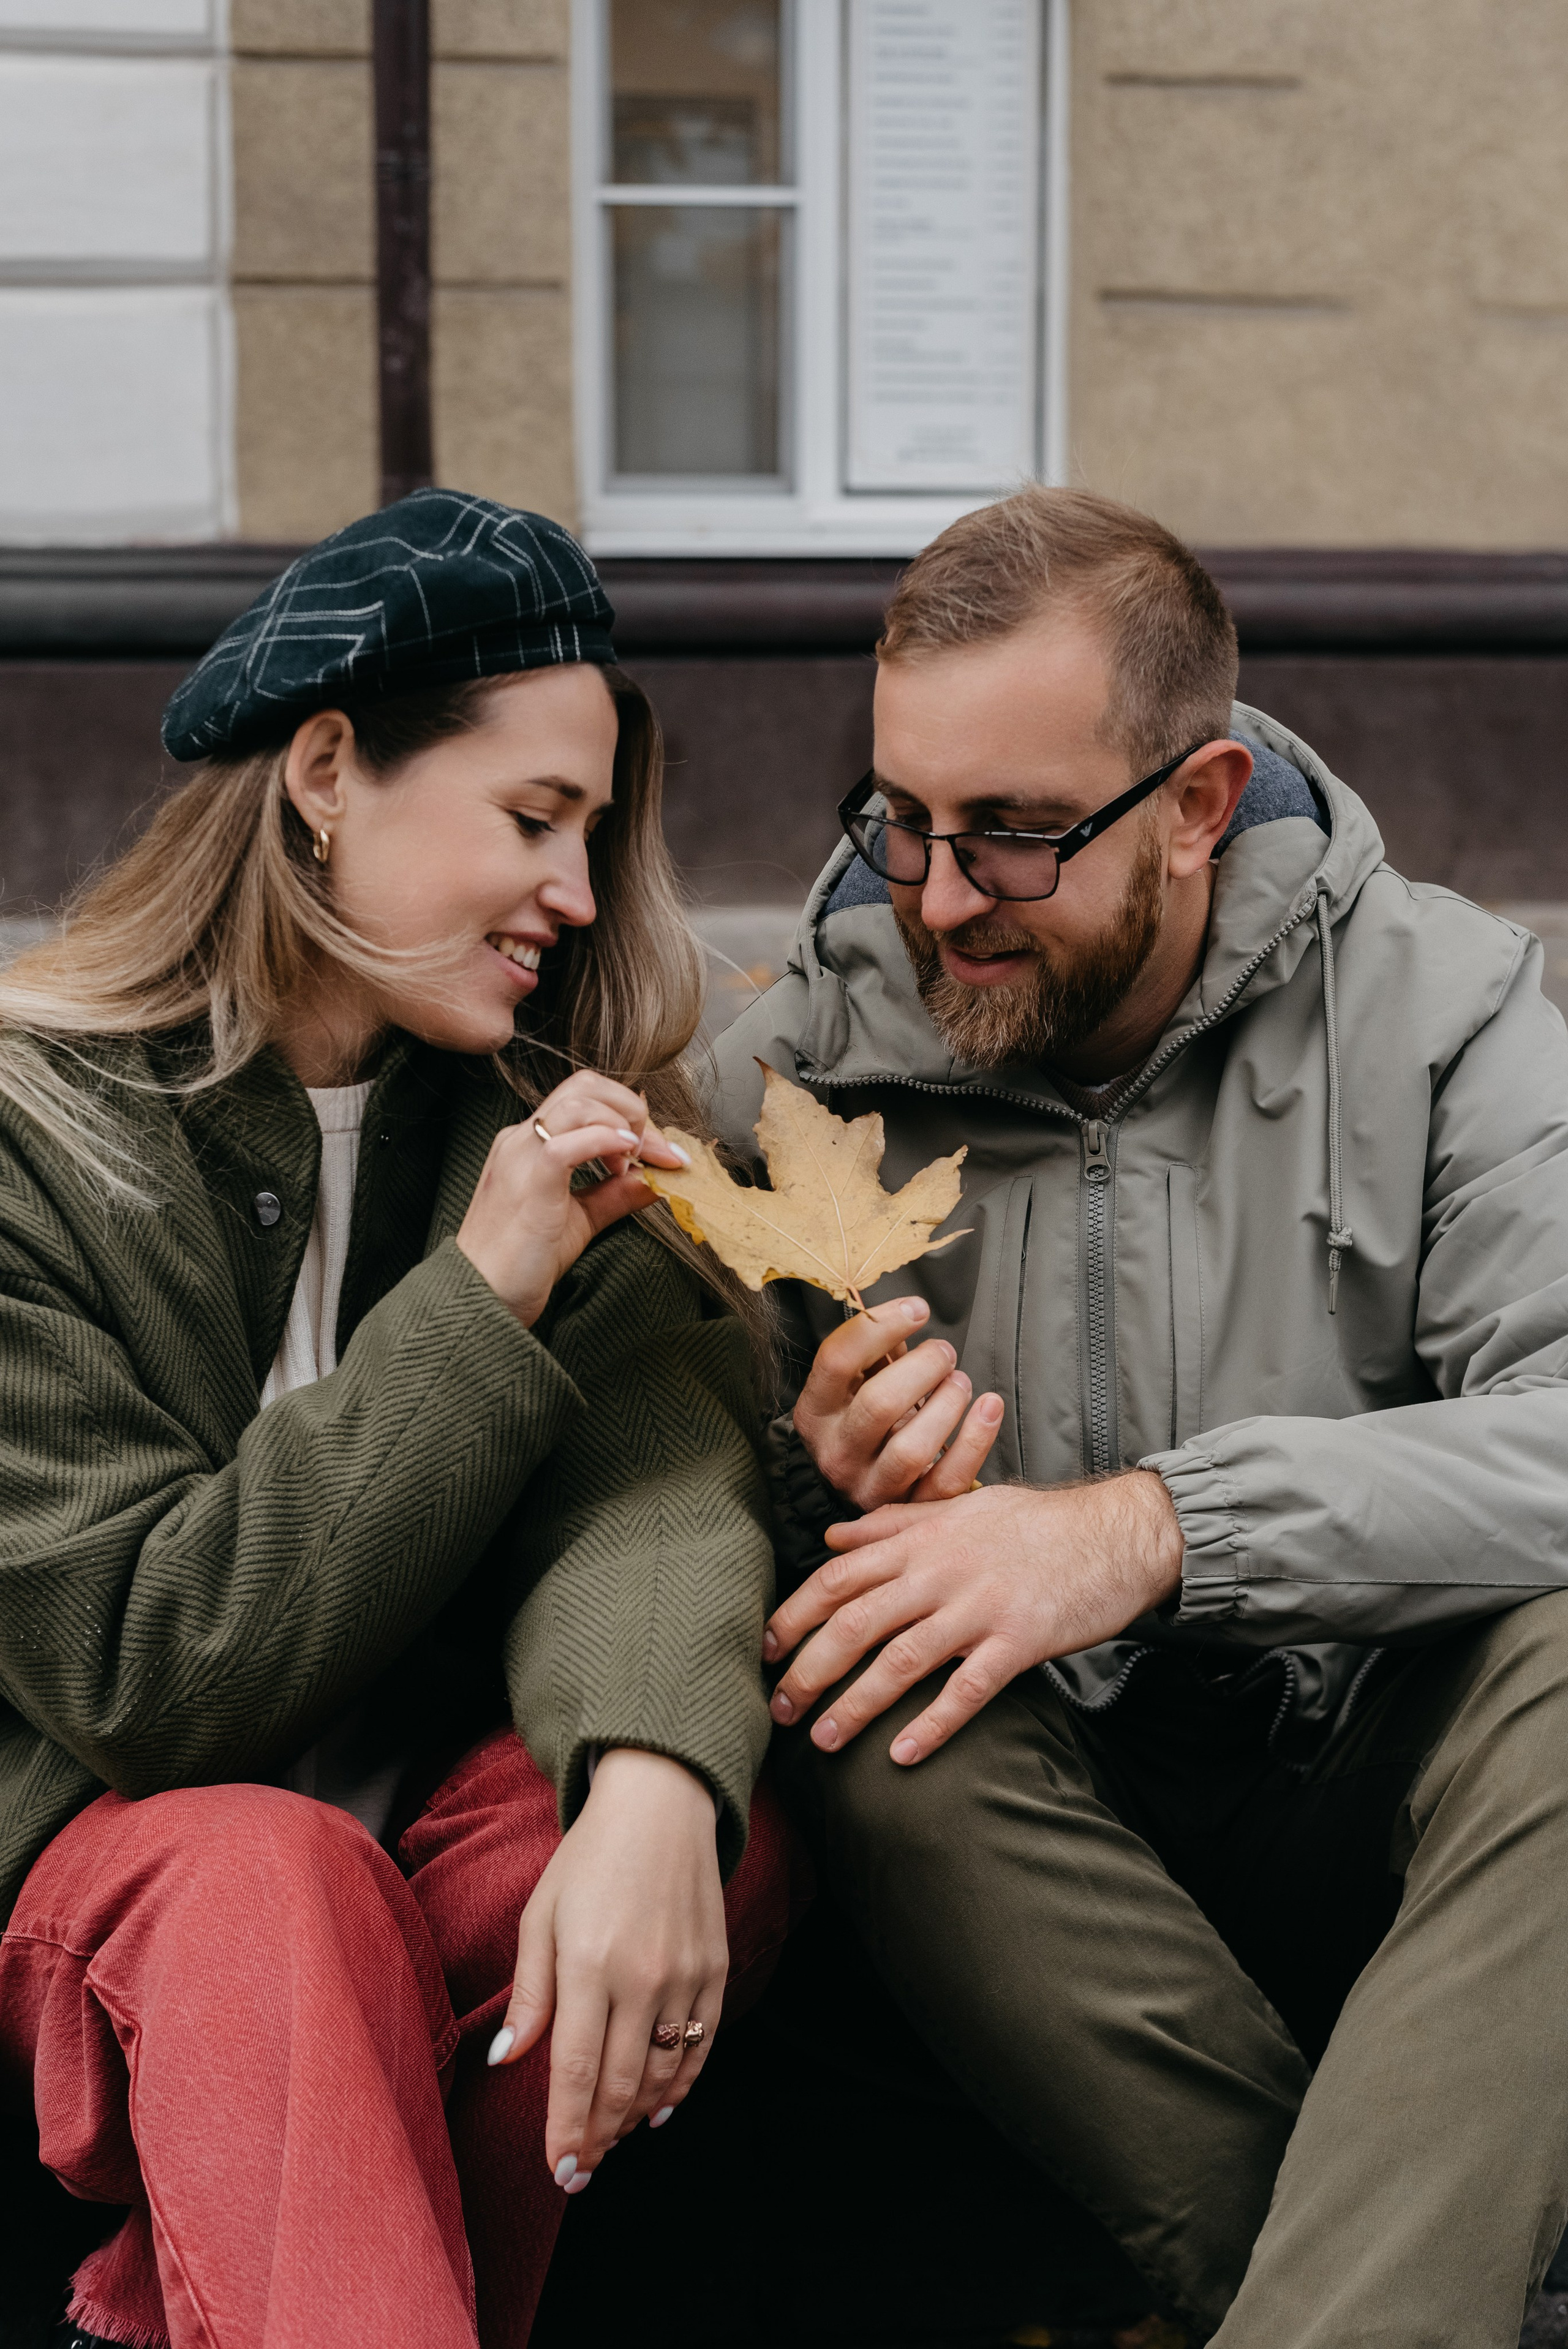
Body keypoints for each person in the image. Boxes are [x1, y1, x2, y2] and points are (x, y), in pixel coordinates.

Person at [709, 485, 1568, 2346]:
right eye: (902, 821)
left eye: (1016, 836)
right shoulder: (784, 1078)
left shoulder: (1451, 1010)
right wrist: (812, 1471)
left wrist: (1146, 1529)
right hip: (1022, 1865)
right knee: (863, 1655)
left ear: (1196, 808)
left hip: (1367, 1781)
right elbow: (644, 1490)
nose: (937, 897)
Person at [0, 490, 798, 2349]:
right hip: (101, 1888)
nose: (580, 896)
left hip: (411, 1899)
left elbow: (657, 1488)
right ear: (331, 771)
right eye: (533, 820)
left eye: (595, 834)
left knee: (685, 1828)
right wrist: (478, 1292)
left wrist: (660, 1783)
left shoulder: (535, 1116)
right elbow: (146, 1662)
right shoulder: (32, 1137)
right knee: (272, 1873)